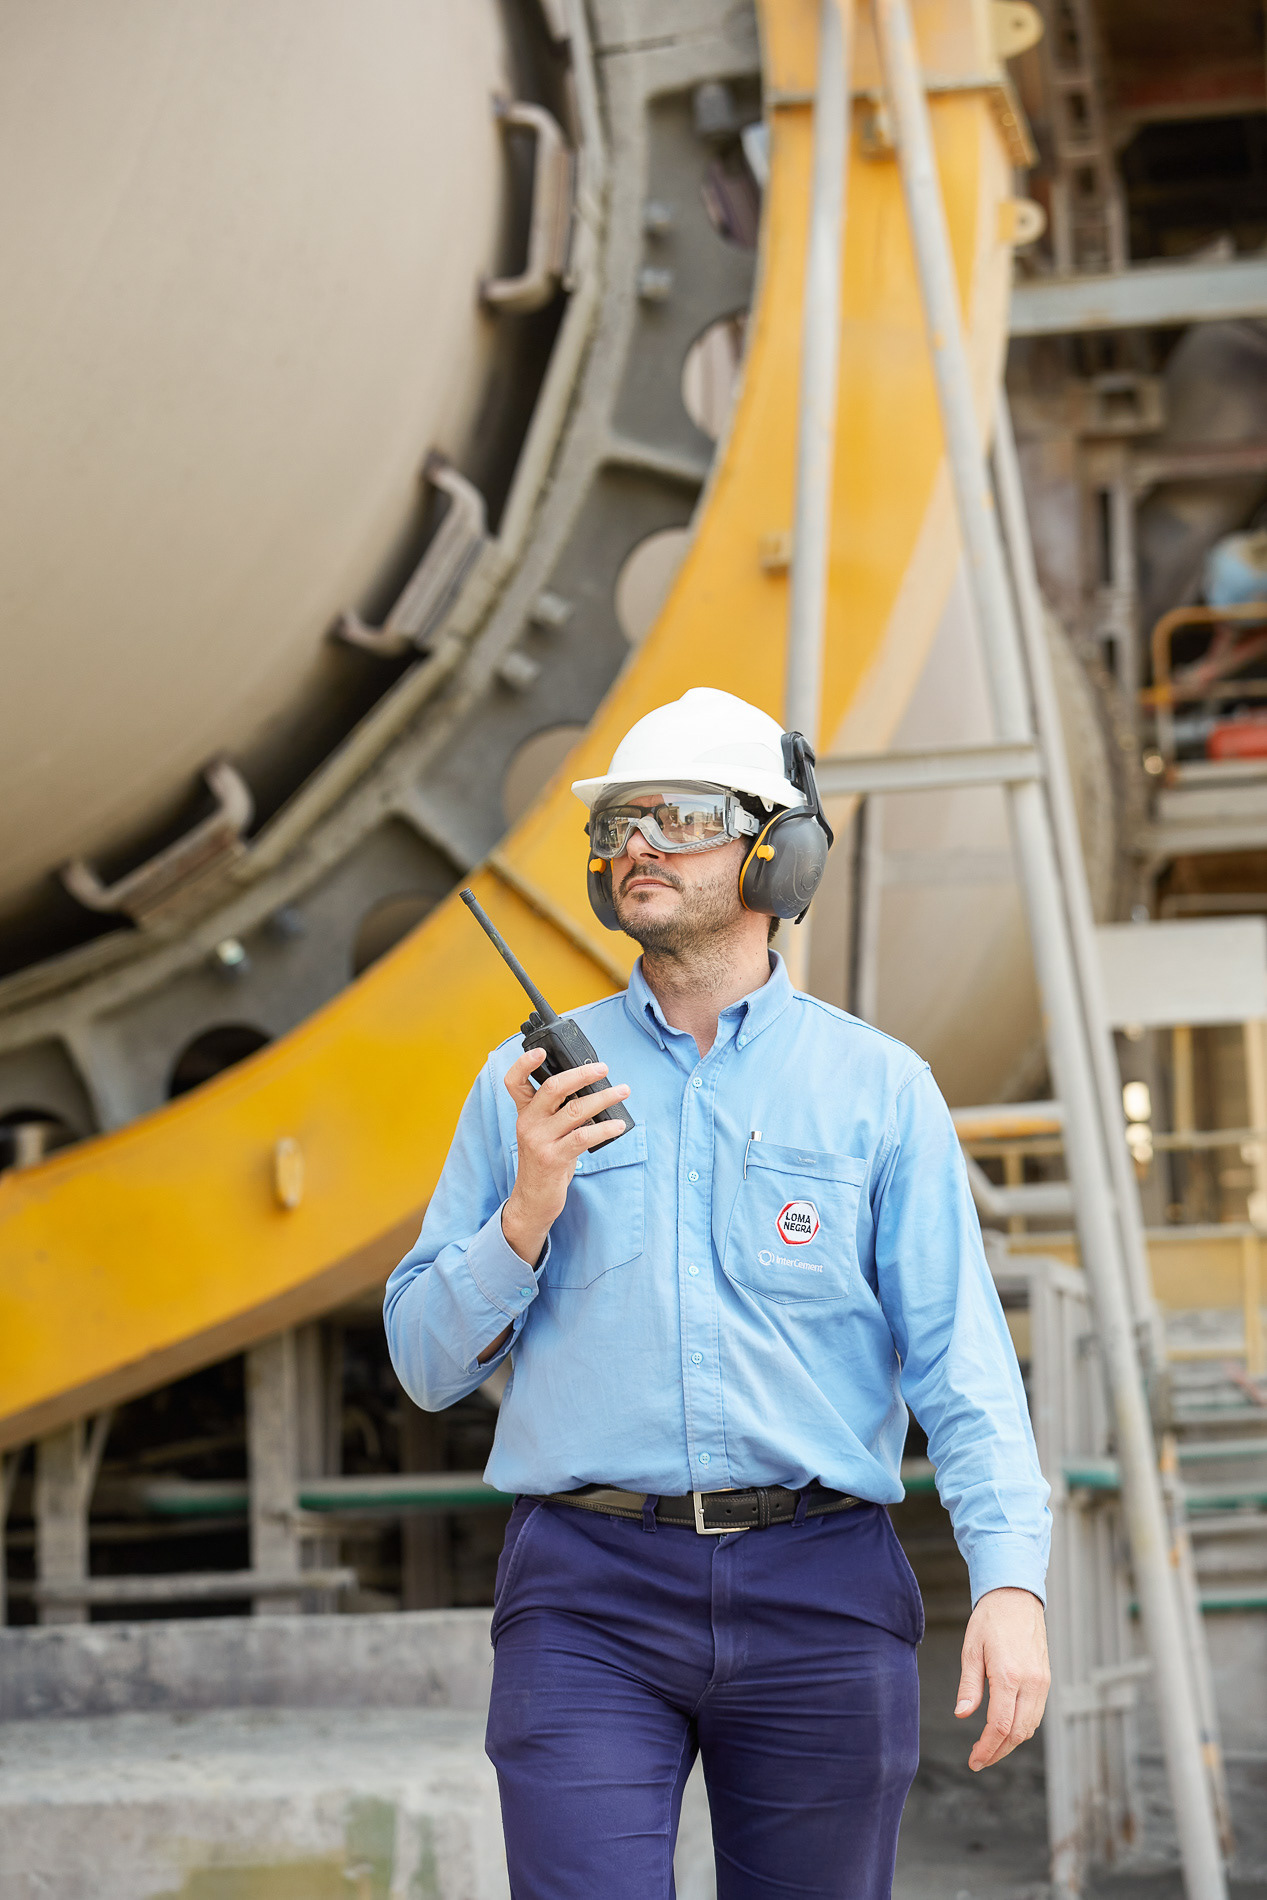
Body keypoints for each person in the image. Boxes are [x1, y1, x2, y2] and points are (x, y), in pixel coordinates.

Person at [385, 687, 1051, 1900]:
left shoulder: (877, 1089)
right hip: (586, 1590)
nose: (635, 843)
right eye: (619, 823)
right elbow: (427, 1365)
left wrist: (1008, 1581)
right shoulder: (523, 1083)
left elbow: (961, 1365)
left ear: (775, 851)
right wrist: (524, 1210)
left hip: (822, 1586)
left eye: (678, 816)